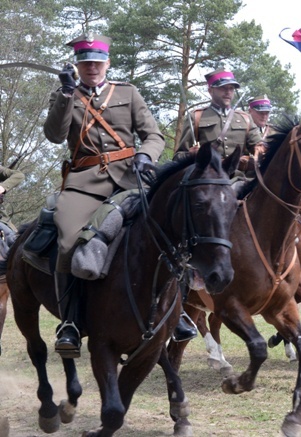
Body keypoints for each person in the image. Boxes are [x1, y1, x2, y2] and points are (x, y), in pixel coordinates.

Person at [43, 32, 194, 359]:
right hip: (83, 182)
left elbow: (152, 134)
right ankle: (69, 321)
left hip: (131, 177)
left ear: (107, 63)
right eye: (86, 64)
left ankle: (177, 312)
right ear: (78, 66)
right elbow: (55, 135)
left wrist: (146, 155)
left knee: (170, 231)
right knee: (68, 238)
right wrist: (67, 94)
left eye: (97, 63)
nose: (92, 69)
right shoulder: (66, 94)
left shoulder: (127, 92)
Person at [174, 68, 265, 161]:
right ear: (210, 91)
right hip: (207, 174)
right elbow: (178, 156)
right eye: (223, 88)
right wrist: (191, 154)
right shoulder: (196, 117)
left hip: (240, 174)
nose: (228, 92)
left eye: (231, 88)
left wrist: (260, 149)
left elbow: (260, 147)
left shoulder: (245, 118)